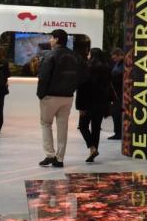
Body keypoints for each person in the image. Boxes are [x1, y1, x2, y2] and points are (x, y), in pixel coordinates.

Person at [37, 29, 82, 168]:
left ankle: (50, 154)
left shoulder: (50, 55)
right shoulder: (75, 56)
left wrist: (41, 94)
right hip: (67, 97)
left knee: (46, 124)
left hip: (50, 96)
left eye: (51, 38)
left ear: (56, 39)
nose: (50, 40)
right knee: (63, 127)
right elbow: (83, 75)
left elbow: (43, 77)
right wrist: (72, 88)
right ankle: (60, 159)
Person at [77, 48, 111, 163]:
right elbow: (108, 89)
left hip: (87, 103)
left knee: (82, 126)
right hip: (101, 104)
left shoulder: (87, 68)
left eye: (89, 54)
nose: (87, 55)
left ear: (92, 55)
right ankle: (94, 150)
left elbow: (81, 89)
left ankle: (92, 148)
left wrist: (80, 106)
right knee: (96, 128)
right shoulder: (106, 68)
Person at [108, 48, 125, 141]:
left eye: (115, 58)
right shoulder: (118, 64)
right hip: (117, 92)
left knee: (116, 113)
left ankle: (118, 133)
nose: (114, 60)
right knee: (115, 113)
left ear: (120, 55)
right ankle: (118, 132)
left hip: (120, 93)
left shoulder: (124, 64)